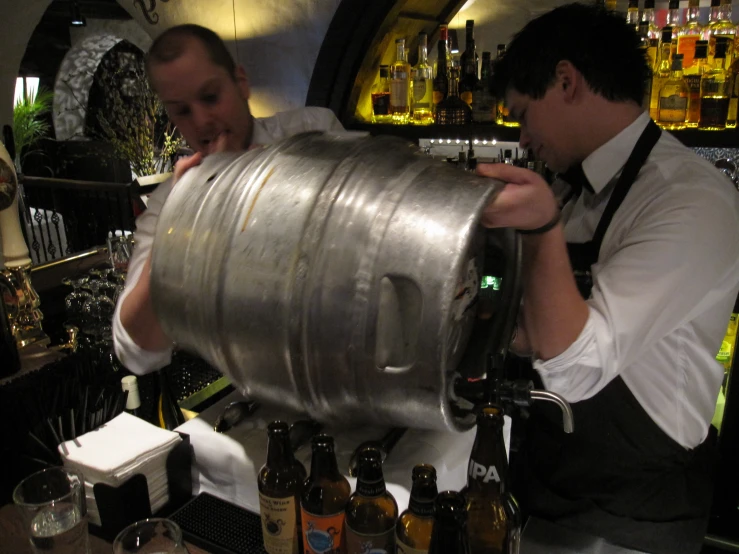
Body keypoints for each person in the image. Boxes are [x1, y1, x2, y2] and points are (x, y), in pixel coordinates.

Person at [478, 4, 739, 553]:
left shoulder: (689, 198)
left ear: (566, 81)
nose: (522, 137)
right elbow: (528, 323)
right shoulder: (574, 189)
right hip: (550, 479)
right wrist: (486, 302)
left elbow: (576, 366)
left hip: (634, 511)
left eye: (523, 114)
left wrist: (541, 225)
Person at [112, 24, 344, 375]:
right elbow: (136, 351)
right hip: (267, 395)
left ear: (241, 82)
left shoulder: (313, 132)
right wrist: (182, 219)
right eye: (182, 111)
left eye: (210, 97)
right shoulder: (167, 204)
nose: (202, 120)